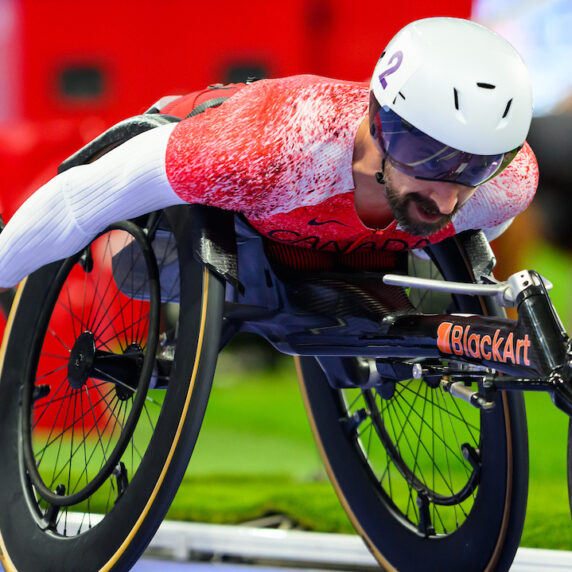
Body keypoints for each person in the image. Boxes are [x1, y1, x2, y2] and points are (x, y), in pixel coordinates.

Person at [0, 17, 537, 291]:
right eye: (427, 155)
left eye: (475, 164)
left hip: (322, 234)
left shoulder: (507, 184)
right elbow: (78, 200)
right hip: (219, 129)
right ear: (379, 120)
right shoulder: (274, 149)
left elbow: (451, 229)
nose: (448, 195)